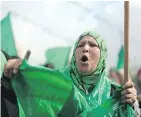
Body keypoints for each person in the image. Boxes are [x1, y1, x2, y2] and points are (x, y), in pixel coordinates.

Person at [3, 31, 140, 117]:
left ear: (103, 55)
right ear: (75, 55)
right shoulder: (54, 84)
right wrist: (10, 83)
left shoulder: (115, 93)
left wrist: (131, 106)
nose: (85, 48)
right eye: (80, 45)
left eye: (92, 45)